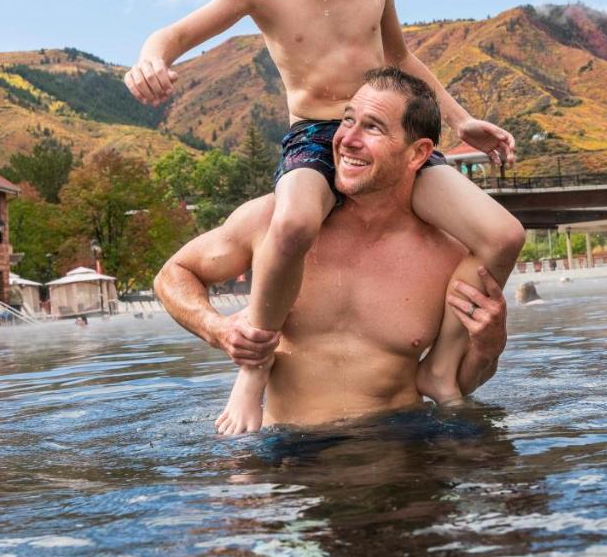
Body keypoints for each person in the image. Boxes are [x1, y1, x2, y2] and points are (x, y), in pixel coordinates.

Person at [127, 0, 525, 434]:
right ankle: (253, 371)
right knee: (292, 224)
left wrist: (461, 118)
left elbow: (403, 62)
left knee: (503, 234)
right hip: (317, 135)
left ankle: (441, 372)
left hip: (388, 130)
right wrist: (151, 59)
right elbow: (173, 36)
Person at [154, 69, 512, 431]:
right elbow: (174, 274)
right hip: (290, 454)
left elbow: (455, 383)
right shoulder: (274, 226)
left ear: (417, 153)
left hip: (402, 446)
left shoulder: (447, 257)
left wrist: (489, 346)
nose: (346, 140)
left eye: (372, 128)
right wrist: (216, 329)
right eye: (348, 120)